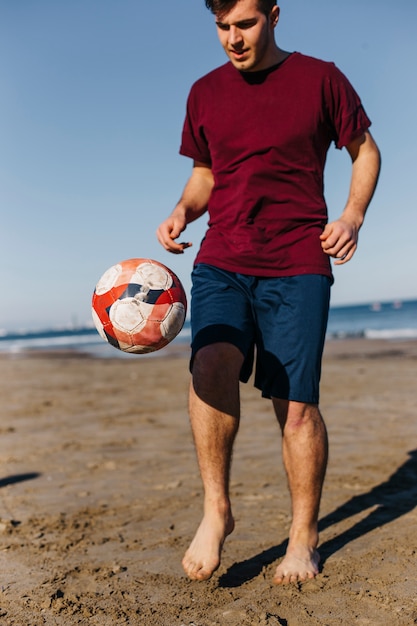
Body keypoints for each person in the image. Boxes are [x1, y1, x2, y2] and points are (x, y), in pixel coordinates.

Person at [156, 0, 380, 585]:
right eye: (222, 27)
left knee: (296, 407)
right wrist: (183, 208)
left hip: (298, 262)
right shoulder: (204, 92)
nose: (232, 38)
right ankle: (217, 510)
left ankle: (303, 536)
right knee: (209, 364)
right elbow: (206, 172)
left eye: (245, 24)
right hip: (223, 256)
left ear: (275, 15)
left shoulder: (321, 78)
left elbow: (365, 152)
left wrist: (352, 216)